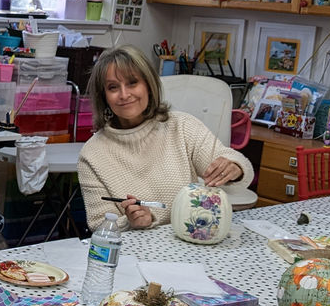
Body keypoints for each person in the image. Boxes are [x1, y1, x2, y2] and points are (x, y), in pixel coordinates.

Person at [77, 45, 254, 231]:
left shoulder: (182, 126)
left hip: (190, 244)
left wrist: (235, 168)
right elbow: (98, 225)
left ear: (148, 86)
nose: (124, 94)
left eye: (132, 83)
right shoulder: (92, 154)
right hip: (133, 253)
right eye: (113, 87)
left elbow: (232, 169)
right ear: (103, 96)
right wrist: (131, 222)